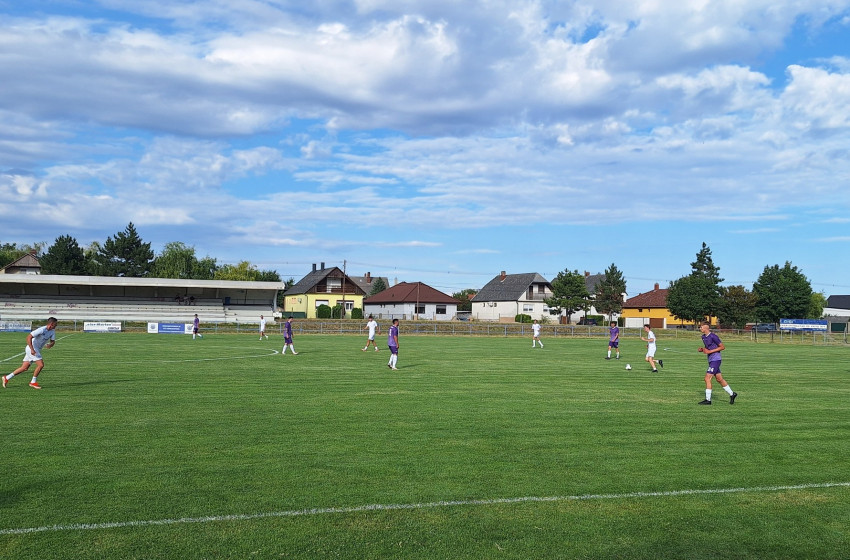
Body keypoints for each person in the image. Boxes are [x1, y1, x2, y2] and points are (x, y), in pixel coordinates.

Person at [3, 317, 58, 390]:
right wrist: (32, 349)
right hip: (32, 348)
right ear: (51, 324)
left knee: (24, 368)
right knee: (41, 365)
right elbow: (28, 337)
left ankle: (6, 377)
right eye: (55, 324)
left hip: (36, 349)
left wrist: (51, 344)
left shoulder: (52, 331)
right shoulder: (41, 329)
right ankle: (33, 382)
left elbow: (53, 341)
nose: (56, 326)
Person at [698, 321, 737, 405]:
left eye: (701, 327)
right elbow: (708, 347)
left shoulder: (713, 336)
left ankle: (708, 400)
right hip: (711, 360)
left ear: (706, 327)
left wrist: (710, 351)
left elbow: (722, 347)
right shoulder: (703, 337)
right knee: (719, 379)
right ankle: (732, 394)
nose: (700, 328)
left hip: (716, 360)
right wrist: (703, 350)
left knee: (707, 378)